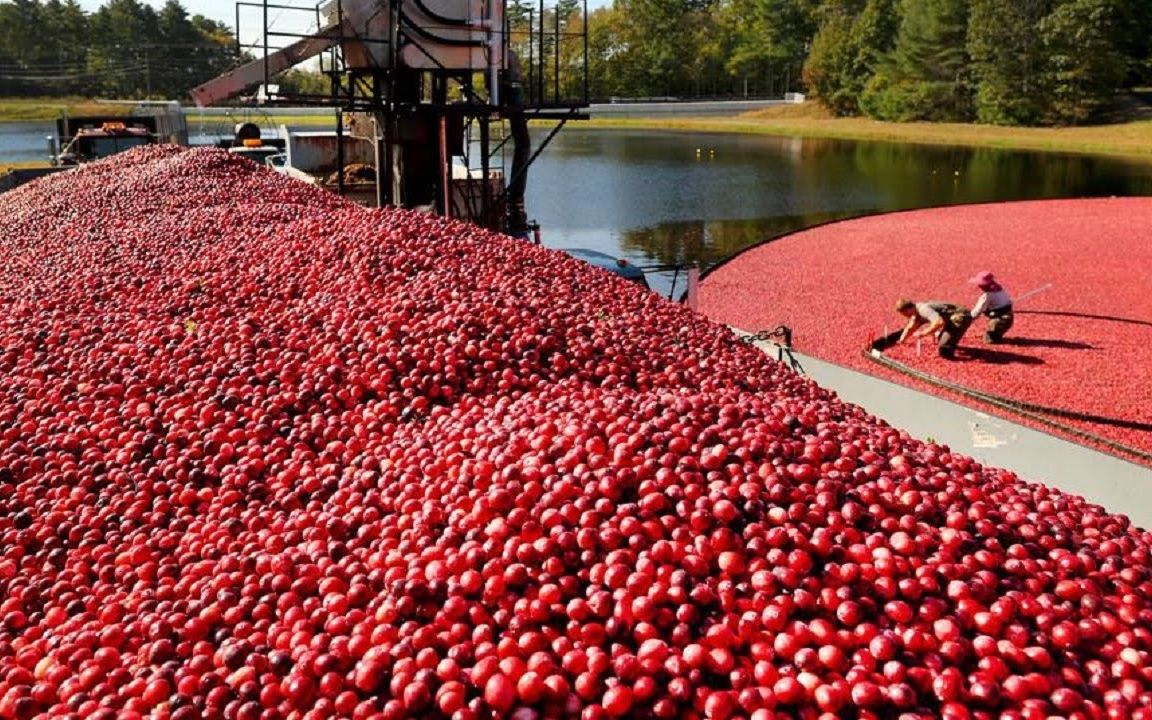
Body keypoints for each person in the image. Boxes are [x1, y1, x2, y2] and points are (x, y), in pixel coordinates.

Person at [895, 299, 973, 359]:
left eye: (904, 313)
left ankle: (951, 354)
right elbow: (911, 327)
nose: (904, 316)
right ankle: (949, 342)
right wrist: (902, 340)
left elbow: (939, 322)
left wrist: (924, 333)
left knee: (944, 348)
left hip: (960, 316)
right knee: (941, 340)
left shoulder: (923, 310)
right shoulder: (915, 314)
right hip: (949, 320)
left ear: (909, 308)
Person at [969, 271, 1014, 344]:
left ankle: (994, 336)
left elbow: (977, 311)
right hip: (1009, 318)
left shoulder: (987, 296)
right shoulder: (1000, 289)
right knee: (994, 331)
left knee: (988, 340)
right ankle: (996, 334)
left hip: (1000, 320)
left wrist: (968, 319)